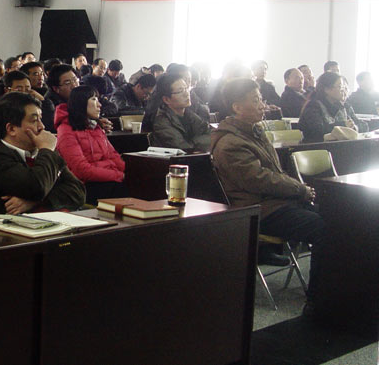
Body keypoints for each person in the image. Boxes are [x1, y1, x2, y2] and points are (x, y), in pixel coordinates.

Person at [210, 78, 324, 313]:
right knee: (323, 228)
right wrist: (299, 189)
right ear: (237, 107)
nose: (262, 105)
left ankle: (341, 287)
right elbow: (261, 180)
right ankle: (319, 298)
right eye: (256, 100)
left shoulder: (255, 132)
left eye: (261, 99)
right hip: (259, 209)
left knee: (340, 218)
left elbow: (276, 173)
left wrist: (297, 190)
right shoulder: (230, 143)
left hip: (277, 202)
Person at [0, 92, 85, 217]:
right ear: (11, 129)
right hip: (11, 226)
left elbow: (78, 192)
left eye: (40, 119)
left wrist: (33, 202)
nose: (42, 126)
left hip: (55, 220)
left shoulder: (44, 151)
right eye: (34, 120)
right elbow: (38, 187)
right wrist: (46, 149)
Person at [54, 86, 126, 204]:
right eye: (94, 99)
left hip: (106, 179)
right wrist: (118, 175)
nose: (99, 105)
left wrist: (129, 172)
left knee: (140, 182)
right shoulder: (66, 130)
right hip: (84, 187)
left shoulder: (95, 127)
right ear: (81, 103)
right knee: (124, 190)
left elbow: (113, 155)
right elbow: (81, 170)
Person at [149, 73, 211, 152]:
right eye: (180, 91)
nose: (186, 94)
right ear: (166, 99)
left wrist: (193, 142)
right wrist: (198, 142)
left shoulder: (189, 114)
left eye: (186, 88)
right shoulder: (161, 122)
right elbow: (183, 148)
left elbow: (211, 136)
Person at [298, 72, 368, 142]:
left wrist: (354, 127)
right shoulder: (313, 106)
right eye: (340, 87)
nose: (343, 90)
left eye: (343, 87)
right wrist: (343, 125)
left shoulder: (344, 106)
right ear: (327, 89)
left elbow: (364, 125)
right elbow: (317, 130)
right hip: (317, 146)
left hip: (342, 145)